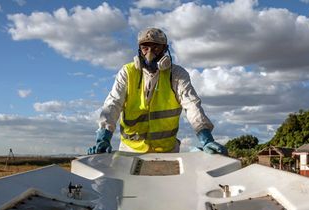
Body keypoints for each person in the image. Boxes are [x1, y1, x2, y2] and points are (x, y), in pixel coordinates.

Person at [87, 28, 227, 155]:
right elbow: (113, 103)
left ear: (165, 49)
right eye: (145, 47)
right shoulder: (128, 72)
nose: (149, 53)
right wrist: (104, 137)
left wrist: (206, 138)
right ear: (139, 49)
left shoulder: (176, 74)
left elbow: (191, 104)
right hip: (130, 151)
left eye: (155, 48)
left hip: (167, 151)